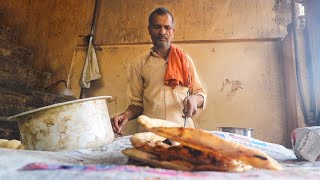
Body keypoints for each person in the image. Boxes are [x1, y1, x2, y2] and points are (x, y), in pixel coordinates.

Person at [111, 7, 207, 135]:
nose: (162, 32)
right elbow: (137, 104)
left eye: (167, 27)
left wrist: (195, 99)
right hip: (150, 134)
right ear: (149, 30)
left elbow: (200, 93)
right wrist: (126, 115)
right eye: (157, 27)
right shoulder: (140, 64)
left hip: (182, 133)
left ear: (172, 31)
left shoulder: (185, 60)